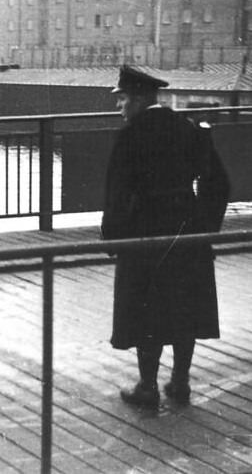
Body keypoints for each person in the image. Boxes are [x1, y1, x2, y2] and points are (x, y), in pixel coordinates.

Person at [101, 64, 230, 408]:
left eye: (123, 98)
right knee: (184, 306)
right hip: (187, 231)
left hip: (144, 234)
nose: (120, 106)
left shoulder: (130, 135)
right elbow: (219, 185)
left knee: (147, 310)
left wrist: (113, 239)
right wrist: (204, 229)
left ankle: (147, 386)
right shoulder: (189, 129)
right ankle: (181, 381)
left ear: (141, 98)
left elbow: (116, 193)